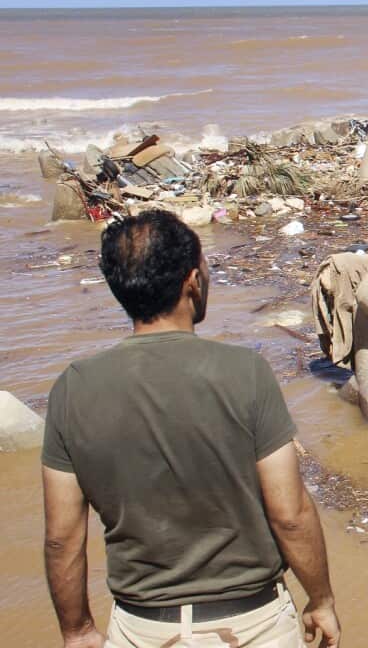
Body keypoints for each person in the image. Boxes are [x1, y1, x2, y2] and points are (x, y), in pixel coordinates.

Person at [42, 210, 340, 648]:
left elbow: (62, 537)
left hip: (142, 628)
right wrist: (321, 599)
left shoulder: (73, 388)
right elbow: (290, 514)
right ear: (193, 282)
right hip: (253, 624)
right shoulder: (246, 373)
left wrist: (77, 629)